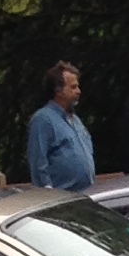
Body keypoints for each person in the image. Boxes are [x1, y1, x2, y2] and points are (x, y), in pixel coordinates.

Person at [26, 62, 96, 192]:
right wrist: (48, 195)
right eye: (73, 87)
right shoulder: (43, 120)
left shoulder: (76, 120)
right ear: (58, 90)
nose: (79, 91)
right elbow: (38, 163)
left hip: (86, 195)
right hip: (62, 198)